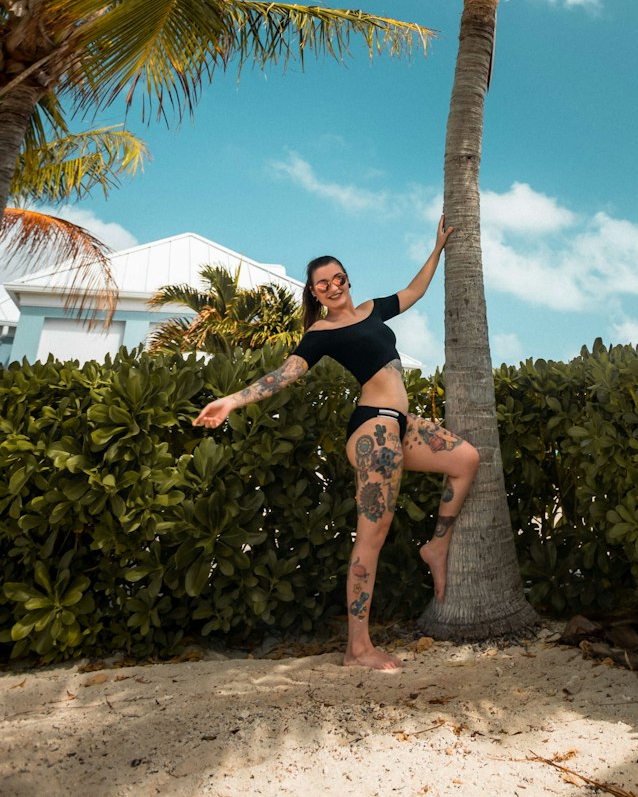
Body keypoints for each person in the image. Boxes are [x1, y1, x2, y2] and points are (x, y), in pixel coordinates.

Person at [192, 216, 479, 670]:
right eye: (321, 284)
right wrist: (231, 400)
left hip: (400, 425)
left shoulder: (372, 309)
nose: (331, 287)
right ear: (313, 293)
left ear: (347, 279)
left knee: (466, 459)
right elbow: (282, 376)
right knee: (371, 537)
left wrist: (439, 247)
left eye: (337, 278)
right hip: (374, 427)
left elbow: (415, 290)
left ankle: (436, 546)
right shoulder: (321, 334)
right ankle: (357, 648)